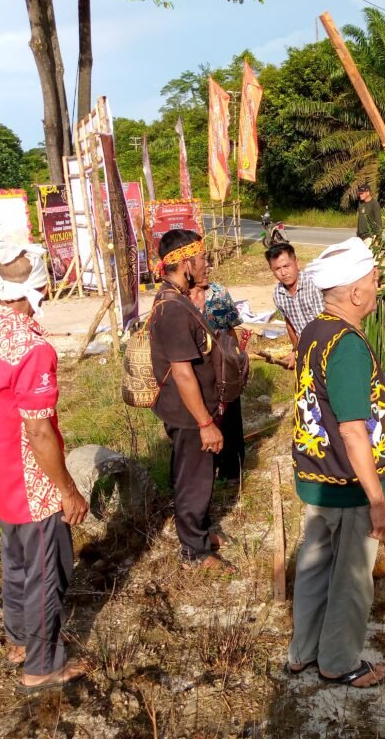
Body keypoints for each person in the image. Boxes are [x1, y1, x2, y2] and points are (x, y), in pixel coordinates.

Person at [0, 242, 88, 694]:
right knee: (47, 571)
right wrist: (67, 490)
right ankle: (42, 665)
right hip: (33, 482)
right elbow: (40, 432)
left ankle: (18, 640)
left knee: (15, 559)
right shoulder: (31, 348)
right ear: (40, 289)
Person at [286, 237, 385, 688]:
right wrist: (377, 501)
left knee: (314, 567)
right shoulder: (347, 345)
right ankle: (338, 662)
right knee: (352, 577)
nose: (377, 287)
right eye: (373, 280)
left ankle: (303, 652)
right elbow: (353, 431)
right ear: (355, 293)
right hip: (349, 485)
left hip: (318, 476)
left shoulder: (315, 329)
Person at [148, 229, 233, 575]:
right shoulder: (172, 309)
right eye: (202, 258)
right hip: (189, 415)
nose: (207, 264)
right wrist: (205, 423)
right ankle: (194, 551)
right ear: (186, 263)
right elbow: (183, 374)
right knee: (192, 480)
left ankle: (198, 531)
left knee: (196, 475)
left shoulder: (177, 299)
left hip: (192, 411)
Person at [189, 279, 248, 488]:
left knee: (230, 417)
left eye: (207, 263)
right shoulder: (178, 297)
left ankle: (231, 470)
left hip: (223, 367)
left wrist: (236, 363)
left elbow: (231, 332)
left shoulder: (219, 293)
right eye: (202, 263)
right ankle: (204, 471)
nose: (206, 266)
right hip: (194, 371)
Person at [266, 242, 324, 370]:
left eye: (286, 266)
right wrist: (296, 351)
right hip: (307, 349)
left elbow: (326, 324)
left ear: (297, 263)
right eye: (277, 269)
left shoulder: (314, 285)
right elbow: (289, 323)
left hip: (328, 345)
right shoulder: (278, 294)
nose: (283, 272)